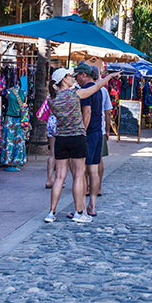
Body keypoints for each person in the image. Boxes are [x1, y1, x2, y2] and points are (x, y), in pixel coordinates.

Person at [45, 67, 113, 223]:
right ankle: (79, 212)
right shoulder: (74, 94)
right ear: (63, 79)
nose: (72, 78)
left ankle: (51, 212)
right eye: (69, 76)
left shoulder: (51, 98)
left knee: (59, 177)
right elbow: (96, 86)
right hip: (77, 136)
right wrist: (109, 77)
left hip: (61, 137)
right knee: (78, 175)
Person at [75, 63, 104, 217]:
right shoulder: (99, 89)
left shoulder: (86, 91)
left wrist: (82, 132)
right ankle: (92, 205)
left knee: (83, 171)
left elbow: (87, 112)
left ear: (85, 75)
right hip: (97, 131)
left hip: (89, 133)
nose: (77, 79)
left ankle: (82, 206)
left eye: (78, 75)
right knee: (93, 170)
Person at [0, 83, 29, 169]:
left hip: (19, 119)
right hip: (9, 118)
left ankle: (17, 160)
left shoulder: (23, 92)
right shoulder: (8, 92)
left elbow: (25, 104)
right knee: (9, 139)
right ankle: (7, 160)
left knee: (18, 140)